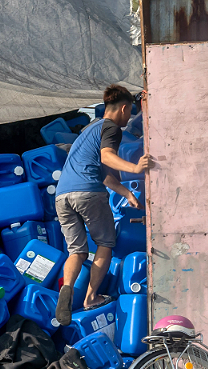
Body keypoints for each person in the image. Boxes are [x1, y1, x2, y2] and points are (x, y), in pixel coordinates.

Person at [54, 84, 155, 326]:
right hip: (88, 193)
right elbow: (106, 157)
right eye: (129, 111)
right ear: (122, 108)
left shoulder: (89, 130)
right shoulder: (111, 127)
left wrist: (126, 194)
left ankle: (66, 289)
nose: (129, 116)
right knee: (105, 243)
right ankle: (90, 297)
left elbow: (104, 174)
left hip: (62, 196)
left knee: (76, 250)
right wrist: (135, 168)